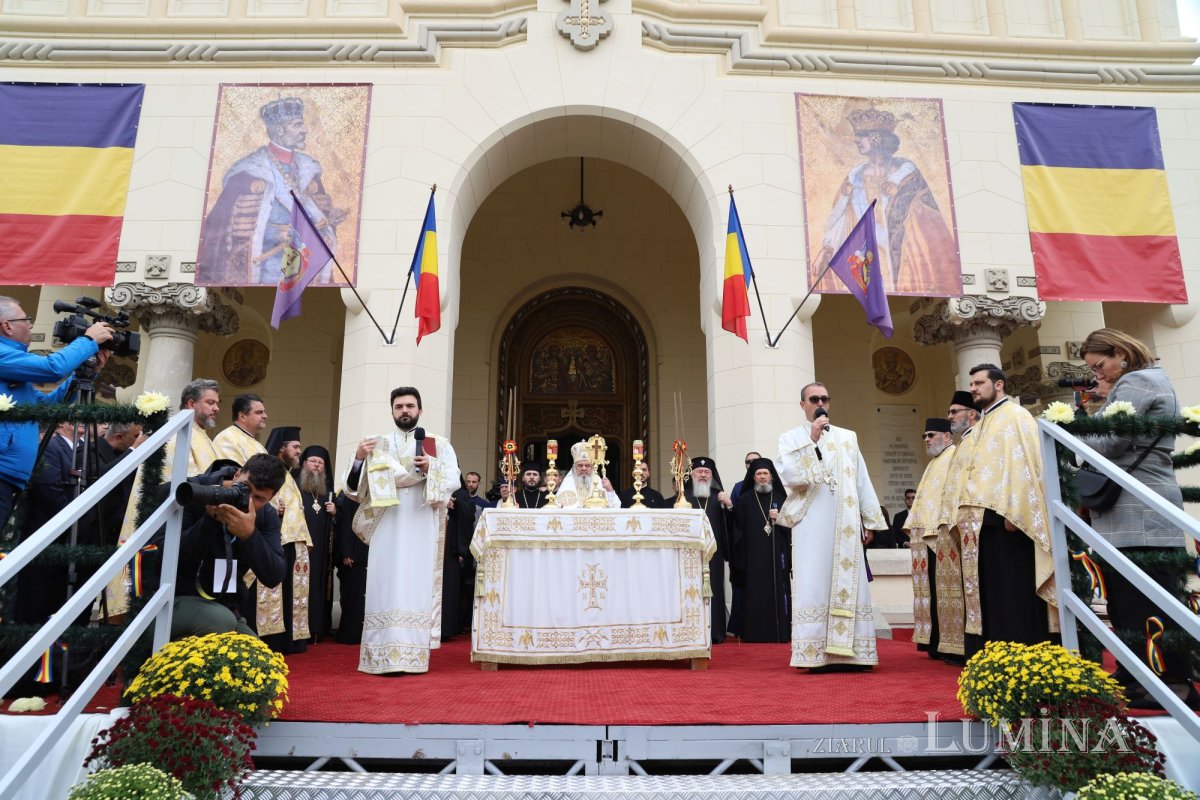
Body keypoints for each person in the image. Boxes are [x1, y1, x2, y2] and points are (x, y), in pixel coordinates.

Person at [1079, 328, 1198, 710]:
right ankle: (1136, 675)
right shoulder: (1137, 382)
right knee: (1126, 603)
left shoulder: (1139, 381)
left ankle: (1175, 683)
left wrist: (1076, 434)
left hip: (1140, 511)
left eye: (1099, 365)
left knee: (1153, 603)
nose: (1097, 374)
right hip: (1130, 510)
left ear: (1121, 353)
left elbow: (1112, 441)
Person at [343, 386, 460, 674]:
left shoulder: (437, 444)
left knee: (415, 583)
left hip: (420, 523)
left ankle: (411, 656)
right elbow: (354, 490)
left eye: (410, 406)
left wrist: (431, 467)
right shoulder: (377, 444)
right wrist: (358, 458)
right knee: (383, 582)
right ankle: (380, 656)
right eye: (399, 406)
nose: (404, 411)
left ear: (420, 410)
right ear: (392, 411)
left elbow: (453, 479)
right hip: (387, 524)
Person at [777, 382, 888, 670]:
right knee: (813, 581)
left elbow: (861, 478)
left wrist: (869, 519)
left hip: (846, 523)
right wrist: (812, 440)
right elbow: (790, 476)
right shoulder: (790, 438)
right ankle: (813, 654)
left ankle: (856, 653)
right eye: (814, 399)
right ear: (803, 404)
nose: (820, 403)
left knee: (850, 582)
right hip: (811, 525)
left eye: (824, 399)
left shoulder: (848, 437)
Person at [956, 364, 1055, 657]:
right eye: (972, 384)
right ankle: (992, 655)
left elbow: (1027, 464)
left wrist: (1017, 511)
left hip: (1007, 521)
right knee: (990, 594)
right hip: (979, 524)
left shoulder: (1016, 416)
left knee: (1012, 592)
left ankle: (1020, 652)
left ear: (998, 385)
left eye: (979, 383)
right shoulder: (981, 424)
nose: (973, 389)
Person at [197, 97, 346, 286]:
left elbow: (321, 218)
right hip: (265, 270)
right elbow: (221, 227)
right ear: (280, 130)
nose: (304, 130)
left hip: (305, 268)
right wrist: (277, 234)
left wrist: (325, 229)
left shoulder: (309, 170)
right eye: (297, 125)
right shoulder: (247, 172)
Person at [813, 107, 959, 295]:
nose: (856, 140)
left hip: (902, 259)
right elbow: (840, 217)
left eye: (862, 135)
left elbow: (925, 218)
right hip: (865, 257)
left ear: (878, 137)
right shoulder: (854, 176)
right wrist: (828, 247)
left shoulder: (906, 174)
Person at [0, 295, 113, 529]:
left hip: (9, 477)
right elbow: (52, 368)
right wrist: (88, 340)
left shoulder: (12, 364)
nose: (31, 325)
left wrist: (87, 373)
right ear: (7, 326)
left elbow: (48, 406)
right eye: (26, 320)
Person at [166, 454, 288, 640]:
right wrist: (208, 521)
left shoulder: (266, 516)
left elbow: (274, 575)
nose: (248, 500)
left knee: (261, 656)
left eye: (259, 498)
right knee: (220, 620)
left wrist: (249, 535)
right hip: (173, 600)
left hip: (225, 608)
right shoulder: (194, 492)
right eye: (245, 488)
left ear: (272, 497)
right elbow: (165, 559)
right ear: (237, 474)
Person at [930, 390, 979, 664]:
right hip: (954, 529)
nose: (949, 417)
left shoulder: (973, 442)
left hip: (971, 527)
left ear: (971, 413)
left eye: (954, 411)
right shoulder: (961, 445)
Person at [258, 426, 312, 654]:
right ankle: (275, 641)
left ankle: (290, 640)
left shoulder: (288, 474)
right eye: (295, 447)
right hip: (279, 540)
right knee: (275, 593)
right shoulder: (271, 471)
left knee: (292, 594)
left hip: (294, 540)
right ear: (282, 448)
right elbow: (262, 500)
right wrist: (274, 509)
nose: (299, 451)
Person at [904, 419, 954, 658]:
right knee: (932, 592)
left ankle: (949, 644)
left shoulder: (953, 457)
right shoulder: (935, 462)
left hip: (943, 536)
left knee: (945, 593)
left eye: (931, 435)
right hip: (928, 537)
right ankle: (935, 642)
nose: (926, 439)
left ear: (947, 436)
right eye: (924, 436)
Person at [670, 456, 733, 644]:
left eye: (707, 472)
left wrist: (729, 506)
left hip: (714, 553)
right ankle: (691, 632)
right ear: (692, 475)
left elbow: (731, 527)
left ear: (712, 476)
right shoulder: (683, 497)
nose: (703, 475)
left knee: (715, 589)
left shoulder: (718, 496)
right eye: (700, 472)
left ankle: (715, 633)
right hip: (690, 554)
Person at [730, 457, 791, 643]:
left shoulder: (781, 499)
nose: (762, 477)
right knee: (754, 593)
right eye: (759, 474)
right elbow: (737, 530)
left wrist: (780, 519)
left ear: (771, 476)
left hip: (776, 555)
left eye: (765, 473)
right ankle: (753, 633)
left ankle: (779, 632)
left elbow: (792, 528)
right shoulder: (745, 500)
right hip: (753, 557)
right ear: (753, 477)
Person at [296, 445, 336, 642]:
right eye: (313, 461)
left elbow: (339, 523)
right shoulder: (295, 488)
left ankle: (316, 628)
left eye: (321, 463)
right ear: (304, 464)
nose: (317, 465)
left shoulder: (327, 492)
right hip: (300, 548)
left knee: (317, 587)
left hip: (321, 552)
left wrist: (335, 512)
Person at [332, 491, 366, 645]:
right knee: (351, 595)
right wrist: (346, 552)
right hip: (352, 555)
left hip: (369, 553)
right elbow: (345, 524)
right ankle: (350, 633)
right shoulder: (350, 494)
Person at [555, 441, 620, 509]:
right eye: (580, 465)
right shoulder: (567, 483)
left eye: (587, 465)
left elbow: (616, 506)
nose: (584, 468)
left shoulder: (598, 482)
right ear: (574, 468)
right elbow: (557, 509)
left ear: (592, 467)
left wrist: (610, 489)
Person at [213, 393, 269, 464]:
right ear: (242, 417)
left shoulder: (258, 445)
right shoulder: (226, 438)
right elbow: (232, 470)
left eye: (264, 412)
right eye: (259, 412)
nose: (265, 416)